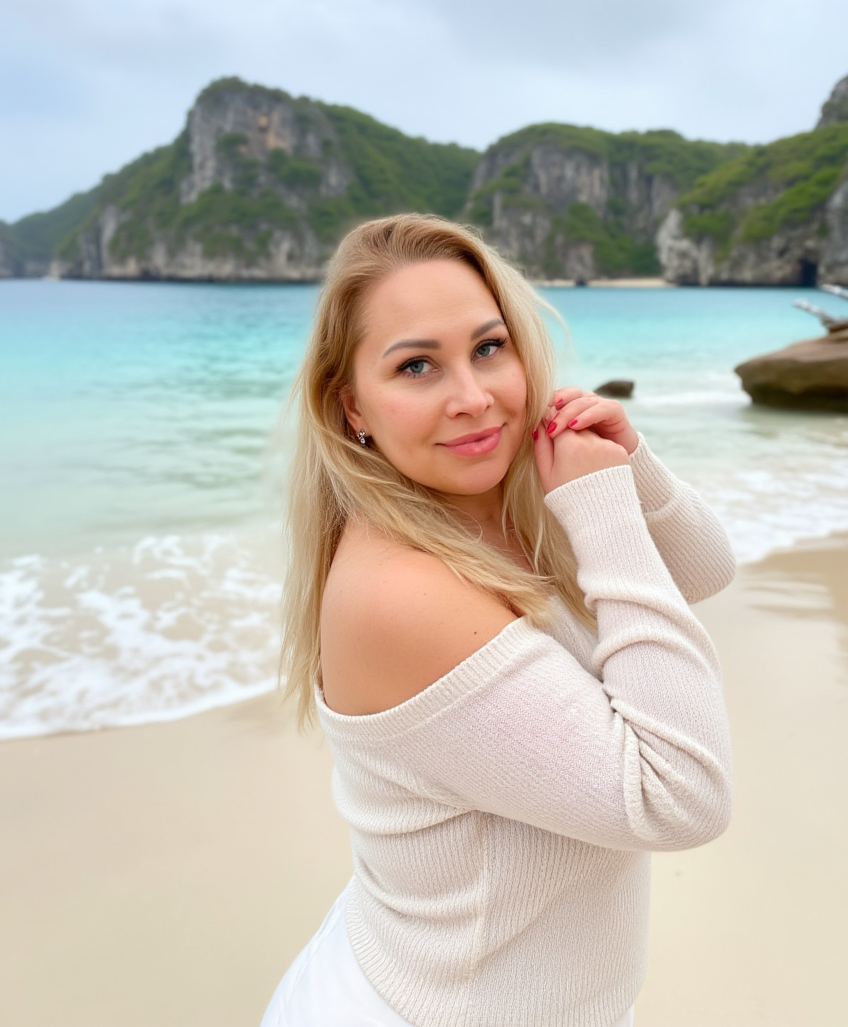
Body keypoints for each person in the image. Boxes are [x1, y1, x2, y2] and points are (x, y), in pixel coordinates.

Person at [262, 213, 734, 1027]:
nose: (473, 398)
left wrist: (628, 464)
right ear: (352, 407)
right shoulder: (399, 592)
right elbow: (680, 798)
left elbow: (702, 570)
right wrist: (599, 508)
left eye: (489, 348)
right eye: (417, 366)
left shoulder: (497, 501)